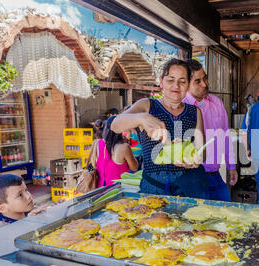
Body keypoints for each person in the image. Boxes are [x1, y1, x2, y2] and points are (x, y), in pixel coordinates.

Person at [111, 58, 207, 198]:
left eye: (182, 81)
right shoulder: (147, 105)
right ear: (161, 81)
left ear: (187, 86)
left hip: (190, 188)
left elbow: (202, 151)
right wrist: (141, 118)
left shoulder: (195, 112)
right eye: (170, 80)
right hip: (154, 189)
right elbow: (115, 125)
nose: (176, 86)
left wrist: (195, 160)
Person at [183, 59, 237, 202]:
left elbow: (226, 135)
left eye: (205, 78)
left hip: (215, 174)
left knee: (226, 215)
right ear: (186, 84)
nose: (205, 84)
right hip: (193, 177)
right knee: (201, 221)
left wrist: (231, 166)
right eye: (198, 81)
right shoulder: (182, 107)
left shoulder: (216, 102)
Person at [95, 116, 139, 187]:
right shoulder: (124, 147)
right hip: (118, 190)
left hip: (101, 190)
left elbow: (96, 164)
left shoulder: (99, 143)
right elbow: (134, 167)